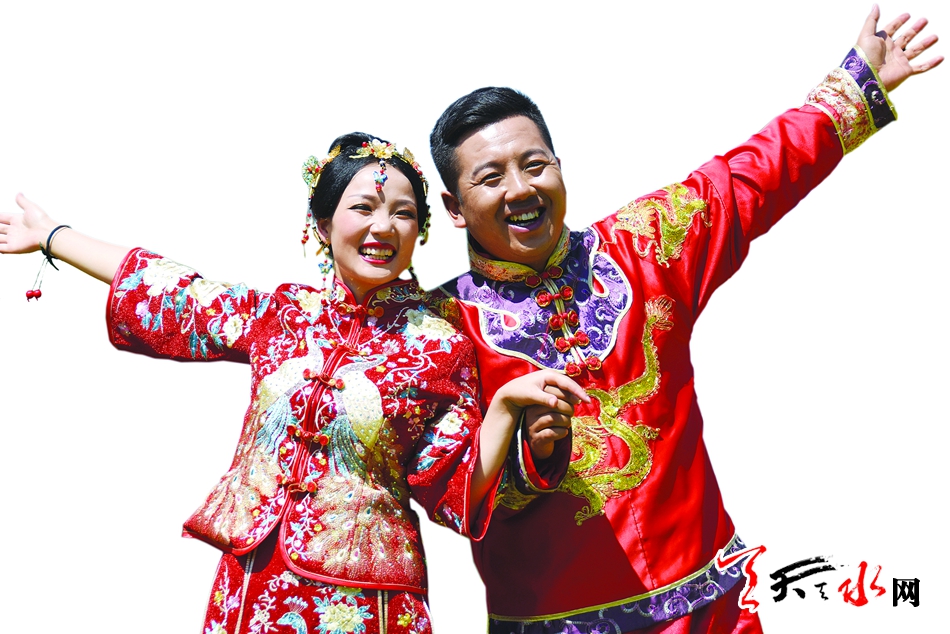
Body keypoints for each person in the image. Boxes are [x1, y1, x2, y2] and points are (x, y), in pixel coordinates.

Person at [425, 7, 942, 634]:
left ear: (559, 165)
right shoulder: (435, 331)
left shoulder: (644, 247)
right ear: (454, 207)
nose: (520, 189)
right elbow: (441, 489)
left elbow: (748, 180)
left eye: (535, 165)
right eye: (491, 178)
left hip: (709, 609)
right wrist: (524, 456)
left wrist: (853, 88)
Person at [0, 132, 586, 633]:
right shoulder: (283, 316)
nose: (383, 227)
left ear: (421, 231)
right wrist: (54, 236)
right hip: (251, 585)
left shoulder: (439, 344)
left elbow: (453, 481)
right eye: (364, 208)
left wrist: (504, 409)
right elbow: (173, 289)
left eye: (403, 213)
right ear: (324, 224)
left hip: (368, 604)